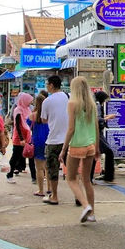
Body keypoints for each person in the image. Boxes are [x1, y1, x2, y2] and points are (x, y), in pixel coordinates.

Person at [59, 76, 100, 223]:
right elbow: (96, 127)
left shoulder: (72, 104)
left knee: (71, 178)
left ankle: (85, 205)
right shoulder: (92, 104)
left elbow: (71, 129)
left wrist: (63, 149)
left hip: (77, 145)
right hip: (90, 145)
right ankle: (92, 213)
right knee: (87, 180)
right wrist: (97, 147)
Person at [41, 75, 69, 205]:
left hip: (53, 140)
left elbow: (44, 119)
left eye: (47, 84)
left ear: (51, 85)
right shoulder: (68, 97)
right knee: (73, 169)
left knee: (52, 169)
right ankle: (78, 196)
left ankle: (55, 196)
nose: (47, 86)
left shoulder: (47, 101)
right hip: (69, 140)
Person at [7, 92, 33, 184]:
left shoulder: (28, 109)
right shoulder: (18, 110)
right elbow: (17, 125)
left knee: (29, 155)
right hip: (19, 137)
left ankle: (34, 176)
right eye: (29, 101)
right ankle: (9, 174)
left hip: (28, 135)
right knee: (16, 156)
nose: (30, 103)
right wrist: (21, 138)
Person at [29, 90, 50, 197]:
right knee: (48, 167)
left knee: (39, 168)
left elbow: (27, 127)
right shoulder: (49, 115)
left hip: (37, 141)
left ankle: (41, 190)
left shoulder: (32, 116)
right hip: (49, 140)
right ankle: (50, 189)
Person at [90, 91, 115, 183]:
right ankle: (108, 176)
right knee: (108, 152)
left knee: (95, 155)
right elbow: (97, 119)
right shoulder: (97, 105)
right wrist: (108, 118)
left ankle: (90, 177)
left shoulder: (94, 104)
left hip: (95, 132)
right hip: (97, 133)